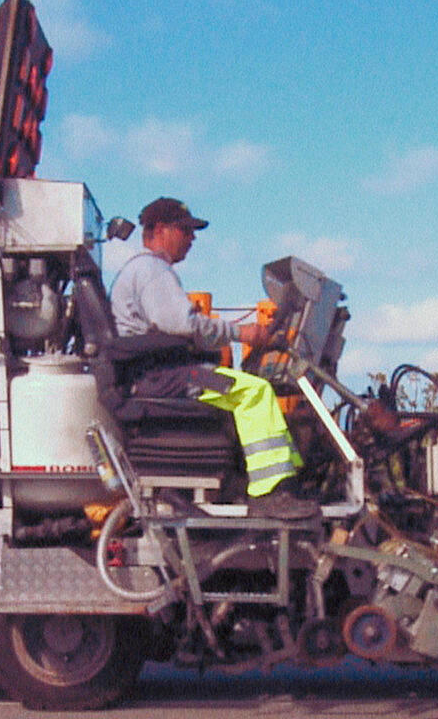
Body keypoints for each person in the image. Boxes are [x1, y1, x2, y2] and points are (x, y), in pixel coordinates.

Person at [109, 197, 318, 520]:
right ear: (161, 230)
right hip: (162, 376)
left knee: (245, 390)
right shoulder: (152, 270)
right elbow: (184, 325)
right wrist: (242, 334)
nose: (192, 238)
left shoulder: (143, 270)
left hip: (160, 373)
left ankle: (273, 483)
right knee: (255, 392)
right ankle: (270, 494)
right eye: (185, 230)